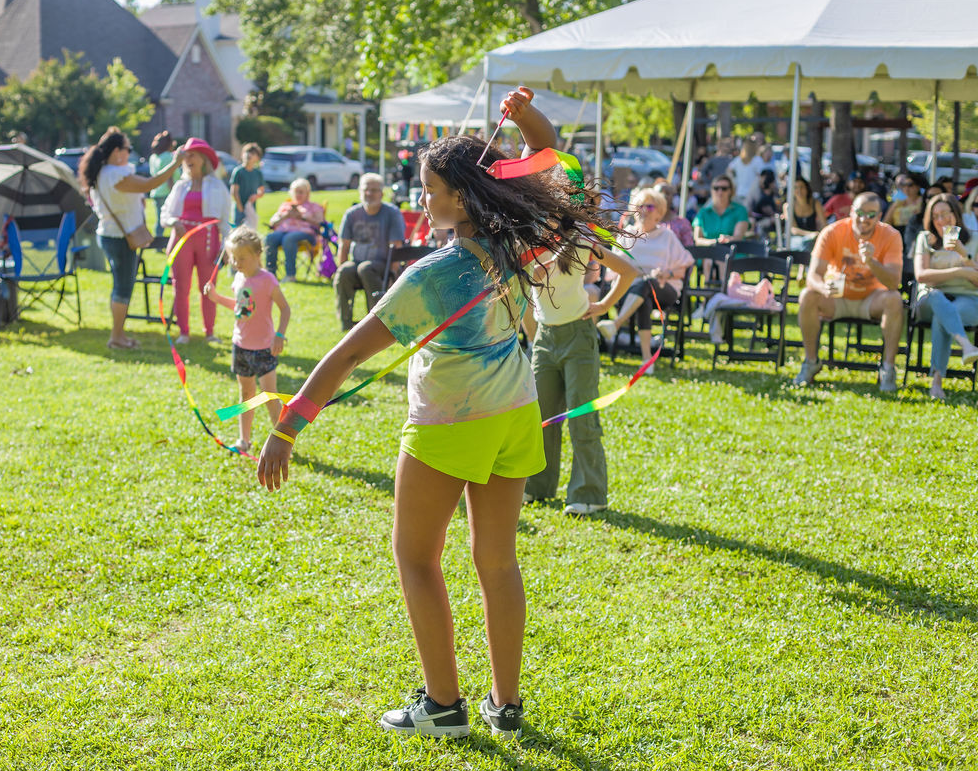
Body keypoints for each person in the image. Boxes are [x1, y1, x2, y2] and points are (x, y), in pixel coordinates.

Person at [256, 88, 615, 739]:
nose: (422, 200)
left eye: (429, 190)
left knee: (416, 556)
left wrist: (287, 426)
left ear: (461, 197)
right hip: (515, 412)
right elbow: (548, 153)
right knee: (498, 561)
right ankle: (505, 706)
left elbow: (347, 353)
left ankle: (444, 705)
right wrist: (526, 116)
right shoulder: (520, 239)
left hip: (452, 422)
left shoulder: (433, 274)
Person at [521, 241, 636, 516]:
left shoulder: (581, 241)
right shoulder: (525, 242)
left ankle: (589, 494)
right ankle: (537, 486)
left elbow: (628, 271)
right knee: (541, 416)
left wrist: (605, 305)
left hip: (578, 337)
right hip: (544, 339)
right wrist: (534, 337)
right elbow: (520, 297)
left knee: (581, 415)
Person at [78, 126, 183, 349]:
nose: (129, 152)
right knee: (123, 288)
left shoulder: (103, 172)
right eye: (127, 148)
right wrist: (175, 164)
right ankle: (116, 337)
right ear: (117, 151)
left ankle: (119, 335)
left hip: (112, 235)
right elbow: (150, 184)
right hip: (120, 238)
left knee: (121, 286)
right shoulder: (114, 174)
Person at [792, 192, 904, 392]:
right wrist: (823, 287)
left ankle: (888, 368)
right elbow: (812, 276)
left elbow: (894, 283)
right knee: (807, 295)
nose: (864, 218)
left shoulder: (891, 235)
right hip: (836, 296)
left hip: (871, 299)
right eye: (859, 212)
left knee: (895, 299)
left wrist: (871, 262)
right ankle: (811, 362)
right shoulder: (832, 231)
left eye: (871, 214)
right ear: (851, 212)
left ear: (879, 216)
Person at [203, 226, 291, 450]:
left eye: (241, 258)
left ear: (257, 254)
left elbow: (285, 309)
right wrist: (215, 297)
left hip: (264, 348)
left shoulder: (267, 280)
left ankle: (282, 442)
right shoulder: (239, 278)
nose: (236, 263)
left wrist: (279, 335)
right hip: (240, 346)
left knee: (270, 396)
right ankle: (244, 440)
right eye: (233, 257)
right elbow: (241, 307)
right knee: (246, 394)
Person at [597, 188, 694, 369]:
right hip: (630, 289)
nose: (643, 210)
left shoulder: (667, 236)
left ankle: (616, 324)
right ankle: (647, 359)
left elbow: (685, 266)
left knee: (647, 284)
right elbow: (612, 269)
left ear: (659, 212)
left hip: (664, 287)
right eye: (640, 206)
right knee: (644, 298)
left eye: (649, 207)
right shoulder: (626, 234)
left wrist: (666, 274)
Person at [160, 137, 231, 345]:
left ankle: (209, 332)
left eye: (192, 155)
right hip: (182, 240)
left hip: (208, 240)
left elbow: (225, 220)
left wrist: (226, 247)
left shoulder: (217, 186)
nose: (188, 159)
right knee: (181, 287)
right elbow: (165, 214)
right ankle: (184, 332)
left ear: (203, 159)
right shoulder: (180, 186)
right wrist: (173, 222)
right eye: (185, 156)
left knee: (208, 287)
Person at [912, 193, 978, 398]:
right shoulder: (925, 239)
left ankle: (937, 382)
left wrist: (963, 253)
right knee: (936, 297)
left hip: (967, 298)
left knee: (944, 315)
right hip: (929, 300)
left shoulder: (975, 239)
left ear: (956, 214)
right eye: (935, 216)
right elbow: (921, 275)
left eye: (945, 214)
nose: (940, 220)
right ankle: (966, 345)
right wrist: (960, 272)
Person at [333, 173, 405, 331]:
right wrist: (341, 266)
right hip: (357, 262)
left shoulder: (392, 213)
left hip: (382, 266)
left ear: (382, 193)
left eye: (374, 190)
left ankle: (375, 322)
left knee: (365, 268)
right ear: (360, 191)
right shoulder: (352, 214)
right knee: (344, 271)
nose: (369, 193)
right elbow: (344, 245)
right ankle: (346, 323)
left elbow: (397, 246)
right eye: (366, 189)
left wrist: (393, 275)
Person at [265, 178, 326, 282]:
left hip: (306, 234)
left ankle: (290, 275)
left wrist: (302, 217)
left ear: (307, 193)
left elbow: (321, 223)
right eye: (296, 192)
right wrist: (286, 215)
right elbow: (272, 223)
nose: (298, 195)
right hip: (283, 231)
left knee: (289, 238)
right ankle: (270, 274)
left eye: (301, 192)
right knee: (270, 238)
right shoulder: (286, 206)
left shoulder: (314, 207)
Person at [692, 175, 749, 245]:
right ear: (712, 190)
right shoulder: (703, 212)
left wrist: (728, 239)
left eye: (724, 188)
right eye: (716, 188)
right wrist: (715, 242)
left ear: (731, 191)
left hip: (732, 250)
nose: (720, 191)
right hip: (708, 251)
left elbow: (738, 237)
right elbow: (697, 240)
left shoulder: (740, 210)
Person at [147, 131, 178, 237]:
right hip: (166, 192)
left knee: (159, 219)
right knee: (172, 219)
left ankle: (158, 239)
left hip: (156, 191)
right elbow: (169, 177)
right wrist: (174, 193)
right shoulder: (168, 156)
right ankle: (162, 241)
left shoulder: (153, 157)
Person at [783, 176, 826, 251]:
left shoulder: (815, 203)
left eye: (802, 187)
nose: (799, 190)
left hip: (813, 239)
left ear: (807, 189)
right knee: (806, 244)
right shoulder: (788, 206)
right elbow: (793, 229)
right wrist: (810, 234)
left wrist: (820, 234)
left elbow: (824, 224)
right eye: (796, 188)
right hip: (795, 240)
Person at [229, 143, 266, 228]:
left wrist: (256, 196)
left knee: (251, 230)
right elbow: (234, 191)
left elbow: (261, 191)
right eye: (247, 152)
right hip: (239, 208)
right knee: (238, 230)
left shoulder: (258, 173)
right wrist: (240, 207)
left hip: (251, 208)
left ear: (257, 158)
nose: (249, 155)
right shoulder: (238, 171)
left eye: (253, 153)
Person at [654, 181, 694, 248]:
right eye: (659, 193)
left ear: (672, 197)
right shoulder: (647, 222)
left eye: (667, 193)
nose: (663, 196)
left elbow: (689, 248)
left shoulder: (682, 223)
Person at [728, 138, 761, 206]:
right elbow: (760, 177)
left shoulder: (737, 160)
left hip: (739, 192)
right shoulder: (757, 160)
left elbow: (729, 171)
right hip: (752, 194)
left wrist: (734, 181)